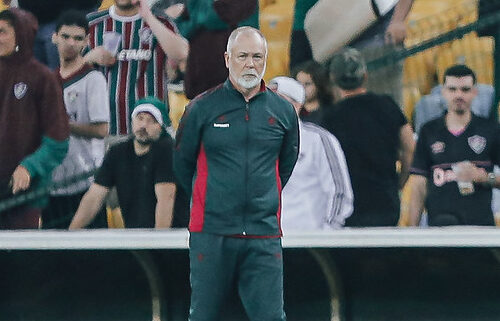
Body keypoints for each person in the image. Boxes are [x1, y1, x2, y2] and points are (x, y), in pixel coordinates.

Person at [174, 27, 299, 321]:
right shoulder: (202, 108)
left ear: (266, 60)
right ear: (228, 59)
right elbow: (182, 164)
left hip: (263, 234)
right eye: (243, 56)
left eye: (257, 56)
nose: (250, 63)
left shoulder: (283, 111)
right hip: (211, 232)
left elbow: (285, 165)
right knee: (204, 316)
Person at [324, 47, 415, 227]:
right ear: (365, 76)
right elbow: (410, 149)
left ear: (333, 79)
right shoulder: (388, 106)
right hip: (385, 200)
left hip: (348, 206)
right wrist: (399, 183)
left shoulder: (330, 118)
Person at [0, 8, 69, 229]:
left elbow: (58, 141)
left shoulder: (42, 78)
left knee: (18, 262)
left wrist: (30, 167)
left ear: (21, 34)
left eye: (3, 32)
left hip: (24, 197)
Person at [40, 10, 110, 229]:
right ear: (54, 37)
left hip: (86, 181)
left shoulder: (93, 79)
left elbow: (101, 130)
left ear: (87, 42)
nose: (71, 43)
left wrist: (63, 125)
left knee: (92, 255)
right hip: (53, 183)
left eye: (78, 38)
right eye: (66, 37)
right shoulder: (47, 80)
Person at [409, 65, 500, 226]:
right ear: (443, 92)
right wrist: (411, 232)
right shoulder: (429, 131)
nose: (459, 95)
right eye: (452, 89)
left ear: (475, 92)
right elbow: (418, 184)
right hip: (439, 229)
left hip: (479, 229)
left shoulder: (490, 130)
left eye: (465, 90)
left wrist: (485, 177)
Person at [69, 97, 176, 229]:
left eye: (151, 121)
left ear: (161, 127)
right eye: (140, 118)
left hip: (172, 238)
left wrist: (160, 242)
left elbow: (166, 198)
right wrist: (72, 232)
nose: (143, 125)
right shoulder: (117, 152)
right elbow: (94, 196)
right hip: (134, 235)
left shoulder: (167, 149)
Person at [85, 0, 188, 135]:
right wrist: (88, 58)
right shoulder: (92, 23)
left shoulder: (161, 22)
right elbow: (68, 73)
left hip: (150, 129)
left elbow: (182, 54)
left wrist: (148, 17)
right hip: (105, 128)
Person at [269, 76, 353, 231]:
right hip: (268, 243)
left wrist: (326, 233)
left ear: (296, 105)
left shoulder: (318, 139)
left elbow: (339, 192)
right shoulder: (255, 143)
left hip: (309, 240)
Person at [172, 0, 258, 99]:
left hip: (233, 85)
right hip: (199, 82)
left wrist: (196, 19)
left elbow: (213, 18)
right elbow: (181, 29)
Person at [292, 60, 334, 124]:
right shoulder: (293, 115)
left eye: (307, 84)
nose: (302, 88)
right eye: (298, 84)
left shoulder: (331, 109)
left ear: (318, 84)